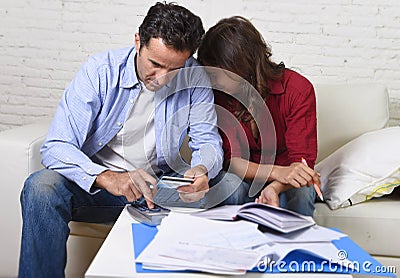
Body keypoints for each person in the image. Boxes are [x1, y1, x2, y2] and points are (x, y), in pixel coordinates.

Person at [18, 3, 249, 277]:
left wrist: (201, 170)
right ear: (138, 41)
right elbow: (56, 147)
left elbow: (208, 141)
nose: (162, 78)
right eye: (155, 64)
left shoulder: (194, 77)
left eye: (174, 68)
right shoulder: (99, 71)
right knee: (40, 187)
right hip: (101, 190)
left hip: (162, 187)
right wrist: (108, 177)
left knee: (234, 187)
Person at [197, 16, 321, 216]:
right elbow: (231, 160)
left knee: (301, 192)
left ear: (237, 67)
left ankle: (292, 246)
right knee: (229, 187)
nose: (210, 80)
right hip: (244, 177)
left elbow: (301, 164)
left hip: (285, 183)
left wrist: (274, 186)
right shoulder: (219, 95)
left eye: (215, 73)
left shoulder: (298, 89)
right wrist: (275, 171)